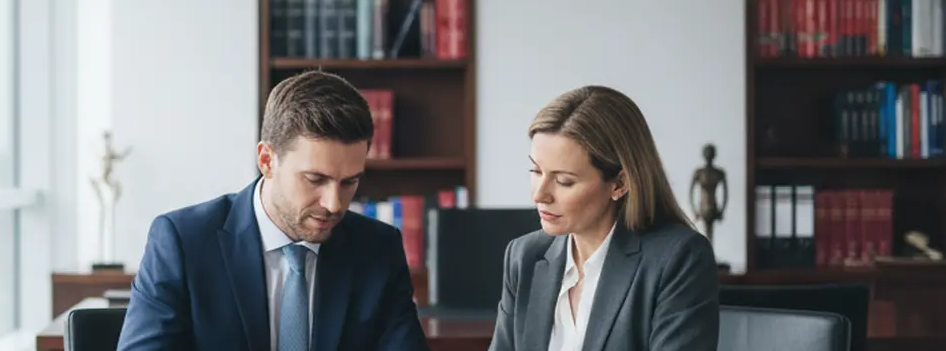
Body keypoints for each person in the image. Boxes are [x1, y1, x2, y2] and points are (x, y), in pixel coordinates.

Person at [116, 70, 429, 351]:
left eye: (349, 182)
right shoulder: (183, 243)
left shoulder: (377, 249)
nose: (334, 204)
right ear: (267, 160)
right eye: (315, 179)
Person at [488, 85, 719, 351]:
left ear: (619, 183)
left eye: (564, 181)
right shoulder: (524, 256)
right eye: (536, 171)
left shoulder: (679, 259)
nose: (539, 195)